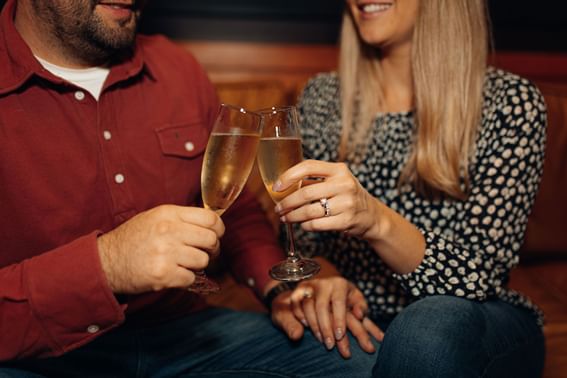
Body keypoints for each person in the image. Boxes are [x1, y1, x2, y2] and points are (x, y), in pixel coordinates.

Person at [0, 0, 380, 376]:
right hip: (41, 352)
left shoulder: (177, 68)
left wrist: (281, 290)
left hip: (187, 337)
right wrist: (106, 266)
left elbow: (238, 214)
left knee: (361, 358)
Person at [270, 0, 547, 377]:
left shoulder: (511, 104)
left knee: (428, 328)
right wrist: (325, 280)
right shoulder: (322, 97)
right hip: (362, 313)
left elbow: (479, 275)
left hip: (470, 316)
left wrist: (375, 220)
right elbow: (302, 241)